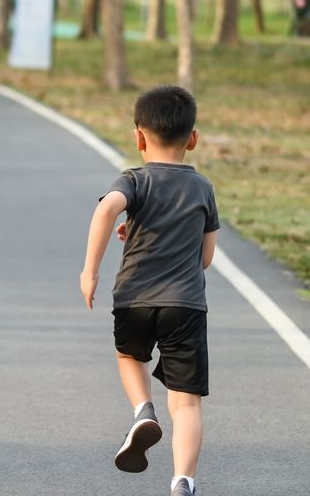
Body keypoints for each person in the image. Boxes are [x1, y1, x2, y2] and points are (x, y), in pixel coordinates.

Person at [79, 86, 219, 496]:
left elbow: (107, 207)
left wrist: (90, 270)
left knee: (129, 355)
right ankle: (183, 481)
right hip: (186, 305)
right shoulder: (203, 189)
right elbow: (205, 257)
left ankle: (142, 411)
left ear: (138, 137)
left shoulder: (134, 179)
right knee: (187, 400)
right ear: (192, 139)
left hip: (134, 298)